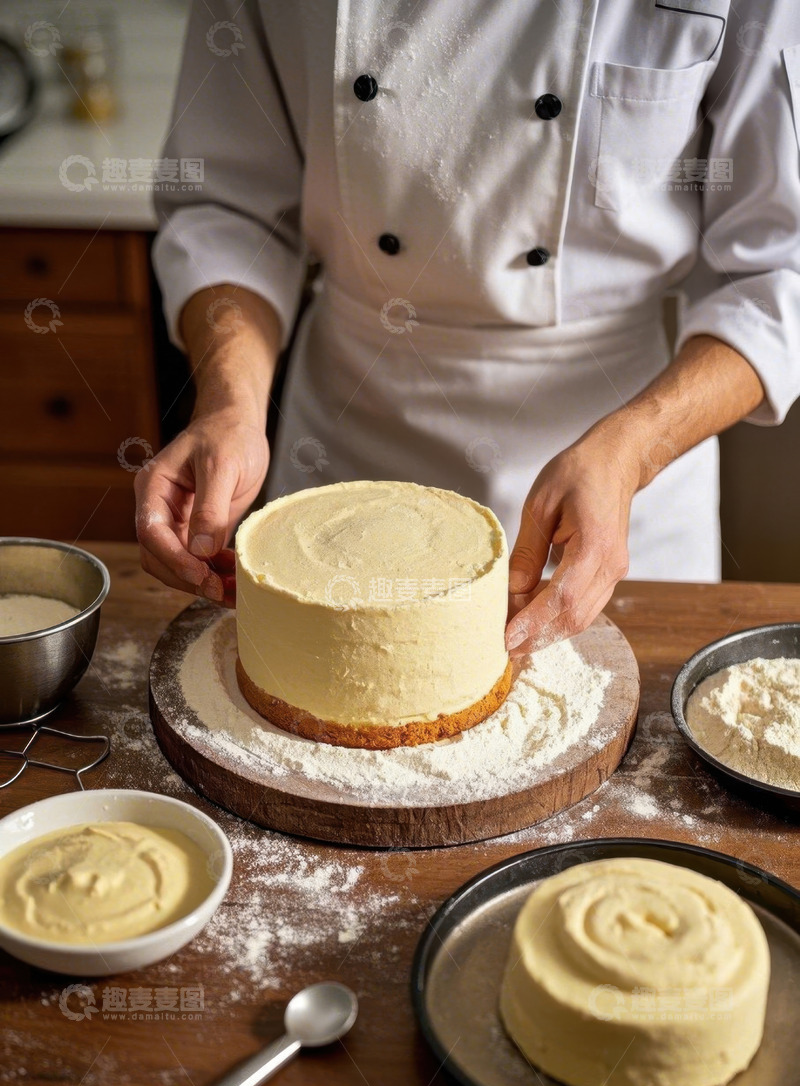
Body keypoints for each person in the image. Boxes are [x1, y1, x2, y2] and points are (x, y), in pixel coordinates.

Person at [137, 1, 800, 656]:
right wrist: (231, 402)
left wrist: (632, 452)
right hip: (350, 451)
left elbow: (779, 271)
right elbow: (230, 208)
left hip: (622, 478)